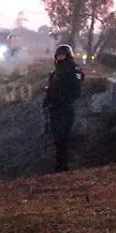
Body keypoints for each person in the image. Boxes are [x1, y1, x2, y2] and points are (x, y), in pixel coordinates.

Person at [42, 44, 85, 172]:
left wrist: (65, 99)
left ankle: (63, 166)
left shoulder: (73, 69)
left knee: (63, 138)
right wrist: (48, 99)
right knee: (57, 137)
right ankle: (59, 165)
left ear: (68, 56)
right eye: (58, 55)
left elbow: (76, 89)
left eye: (62, 55)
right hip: (55, 108)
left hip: (66, 108)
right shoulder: (57, 71)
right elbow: (52, 88)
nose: (60, 58)